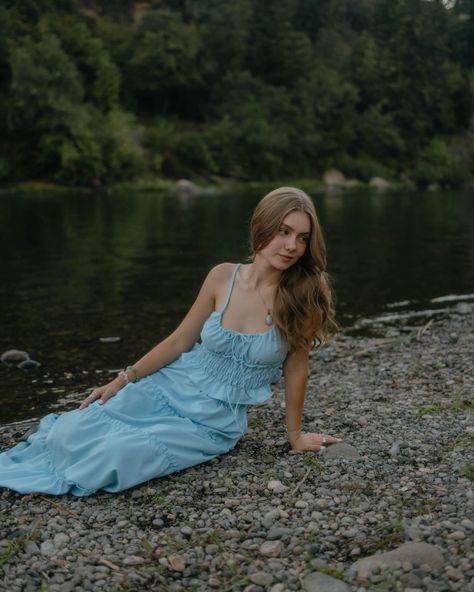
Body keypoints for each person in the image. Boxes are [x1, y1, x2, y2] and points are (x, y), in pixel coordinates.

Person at [0, 187, 340, 496]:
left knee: (113, 456)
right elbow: (179, 341)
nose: (292, 246)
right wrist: (122, 380)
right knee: (67, 433)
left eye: (301, 237)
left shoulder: (304, 294)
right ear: (262, 227)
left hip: (212, 422)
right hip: (168, 387)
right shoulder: (223, 276)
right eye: (284, 232)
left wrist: (295, 436)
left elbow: (297, 369)